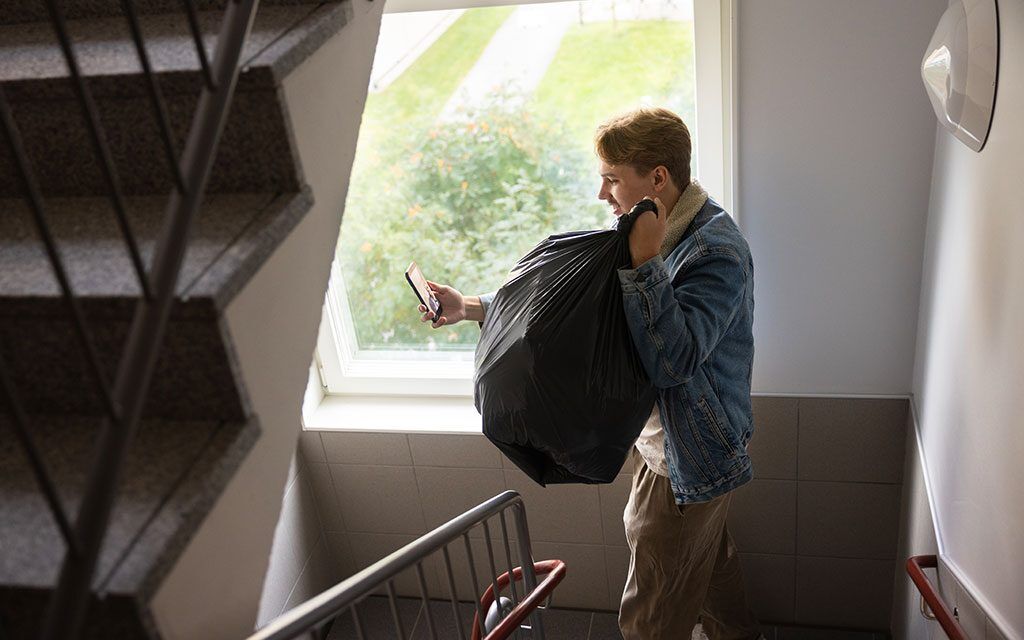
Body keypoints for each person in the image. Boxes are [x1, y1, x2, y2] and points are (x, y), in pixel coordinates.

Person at [419, 107, 762, 640]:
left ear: (658, 178)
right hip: (665, 442)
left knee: (650, 612)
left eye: (611, 179)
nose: (603, 195)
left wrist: (645, 265)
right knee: (707, 565)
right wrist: (470, 306)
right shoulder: (645, 229)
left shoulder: (713, 252)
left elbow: (675, 363)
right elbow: (561, 312)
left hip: (692, 450)